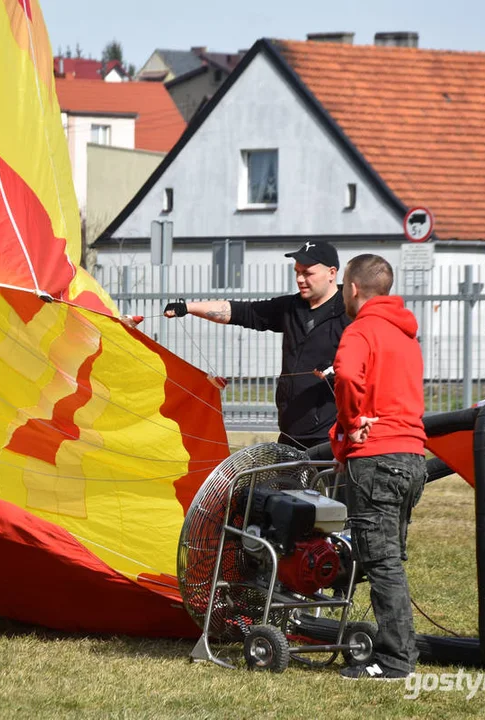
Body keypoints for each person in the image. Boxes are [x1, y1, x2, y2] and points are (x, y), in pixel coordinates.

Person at [329, 254, 427, 680]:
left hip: (376, 457)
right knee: (391, 558)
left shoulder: (360, 329)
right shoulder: (406, 335)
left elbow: (347, 376)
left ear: (352, 288)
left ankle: (394, 660)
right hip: (413, 457)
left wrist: (351, 425)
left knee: (381, 561)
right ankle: (398, 649)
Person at [163, 241, 350, 450]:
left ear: (332, 273)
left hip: (332, 433)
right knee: (286, 484)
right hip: (291, 431)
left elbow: (371, 364)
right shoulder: (290, 308)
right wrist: (188, 307)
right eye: (297, 272)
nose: (300, 279)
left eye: (307, 273)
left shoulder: (350, 312)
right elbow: (241, 311)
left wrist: (338, 370)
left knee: (334, 484)